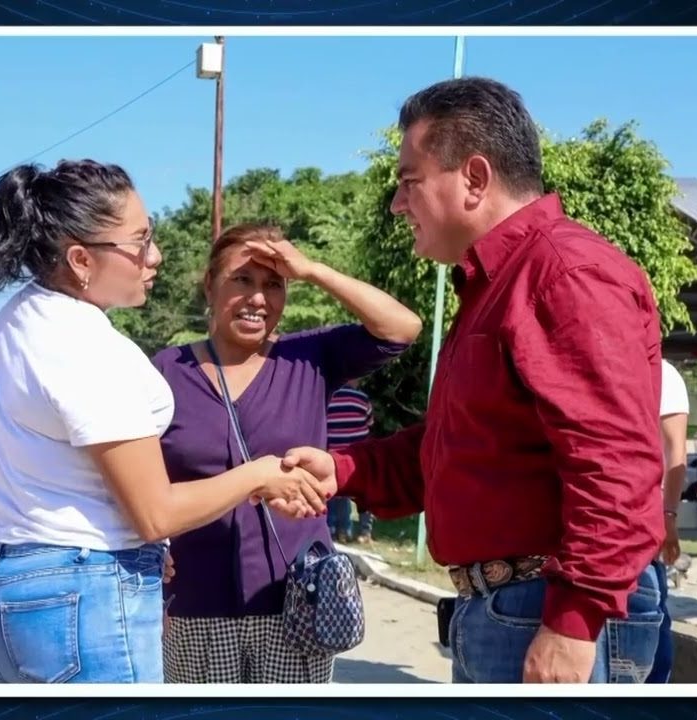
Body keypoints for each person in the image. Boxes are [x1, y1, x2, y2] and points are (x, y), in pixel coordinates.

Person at [283, 76, 666, 684]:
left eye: (410, 181)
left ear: (475, 178)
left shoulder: (562, 274)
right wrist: (346, 470)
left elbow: (614, 463)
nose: (396, 204)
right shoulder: (497, 285)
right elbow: (464, 444)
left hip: (546, 607)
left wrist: (573, 619)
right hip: (509, 607)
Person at [0, 159, 332, 685]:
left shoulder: (19, 318)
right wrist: (260, 473)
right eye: (138, 242)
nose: (153, 256)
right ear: (81, 259)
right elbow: (154, 514)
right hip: (80, 595)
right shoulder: (88, 345)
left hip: (4, 585)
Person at [153, 222, 420, 684]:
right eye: (242, 280)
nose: (258, 298)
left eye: (273, 284)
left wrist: (312, 270)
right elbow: (139, 482)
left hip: (297, 604)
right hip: (192, 605)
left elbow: (402, 328)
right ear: (209, 286)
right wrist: (148, 550)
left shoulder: (309, 356)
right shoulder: (165, 371)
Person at [647, 358, 691, 683]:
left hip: (645, 526)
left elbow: (675, 453)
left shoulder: (664, 374)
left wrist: (669, 518)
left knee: (652, 632)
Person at [326, 380, 376, 544]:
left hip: (334, 456)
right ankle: (364, 532)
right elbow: (369, 423)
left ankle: (338, 529)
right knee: (364, 496)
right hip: (358, 457)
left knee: (336, 494)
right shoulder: (362, 399)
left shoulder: (329, 398)